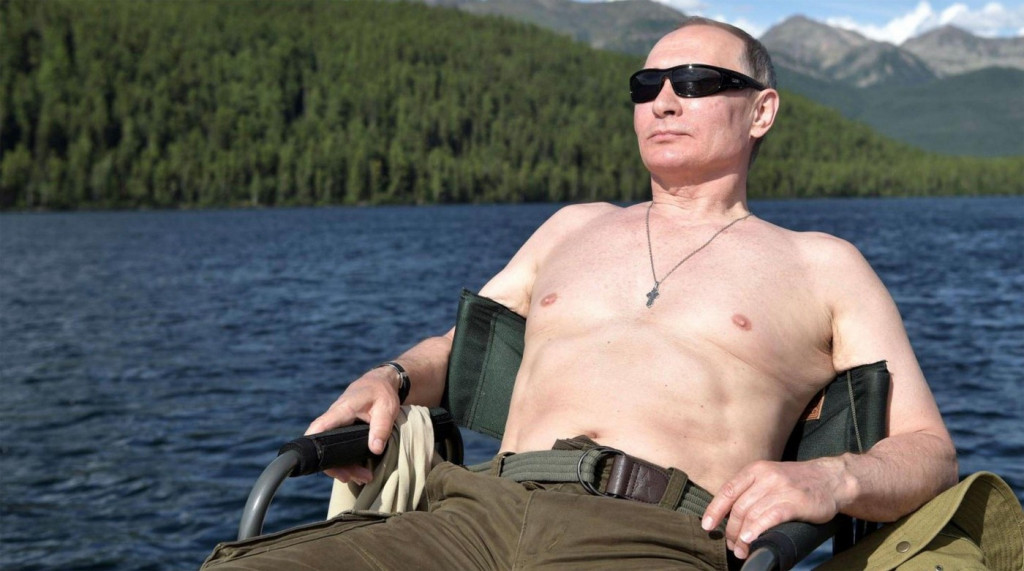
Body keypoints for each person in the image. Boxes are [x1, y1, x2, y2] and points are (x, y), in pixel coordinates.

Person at [204, 16, 958, 570]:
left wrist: (833, 476)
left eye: (697, 83)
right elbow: (460, 351)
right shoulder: (573, 227)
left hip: (651, 533)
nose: (664, 101)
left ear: (761, 110)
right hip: (472, 513)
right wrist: (391, 377)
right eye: (646, 87)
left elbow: (929, 452)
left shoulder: (821, 265)